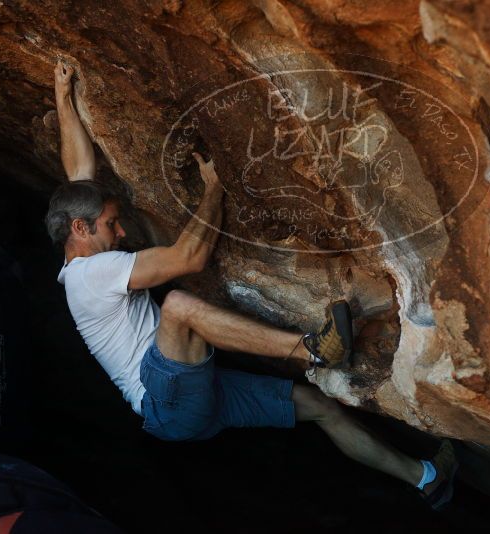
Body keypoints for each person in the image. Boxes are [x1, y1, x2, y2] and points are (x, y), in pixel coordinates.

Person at [46, 60, 457, 510]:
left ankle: (427, 480)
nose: (121, 233)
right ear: (80, 230)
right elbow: (189, 257)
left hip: (190, 399)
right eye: (110, 225)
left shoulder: (81, 241)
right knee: (179, 306)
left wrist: (63, 97)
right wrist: (213, 189)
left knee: (318, 407)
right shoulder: (91, 275)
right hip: (165, 397)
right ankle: (312, 350)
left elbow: (79, 173)